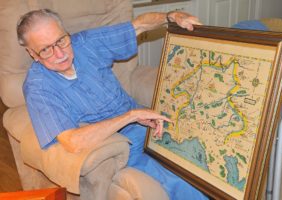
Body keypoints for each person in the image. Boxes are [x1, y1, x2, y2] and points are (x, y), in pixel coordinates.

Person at [17, 8, 208, 200]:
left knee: (204, 150)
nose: (60, 53)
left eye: (61, 40)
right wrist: (131, 116)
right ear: (32, 53)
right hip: (123, 145)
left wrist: (171, 17)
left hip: (147, 125)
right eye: (46, 49)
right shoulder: (38, 88)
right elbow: (72, 141)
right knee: (180, 182)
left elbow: (139, 25)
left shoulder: (84, 43)